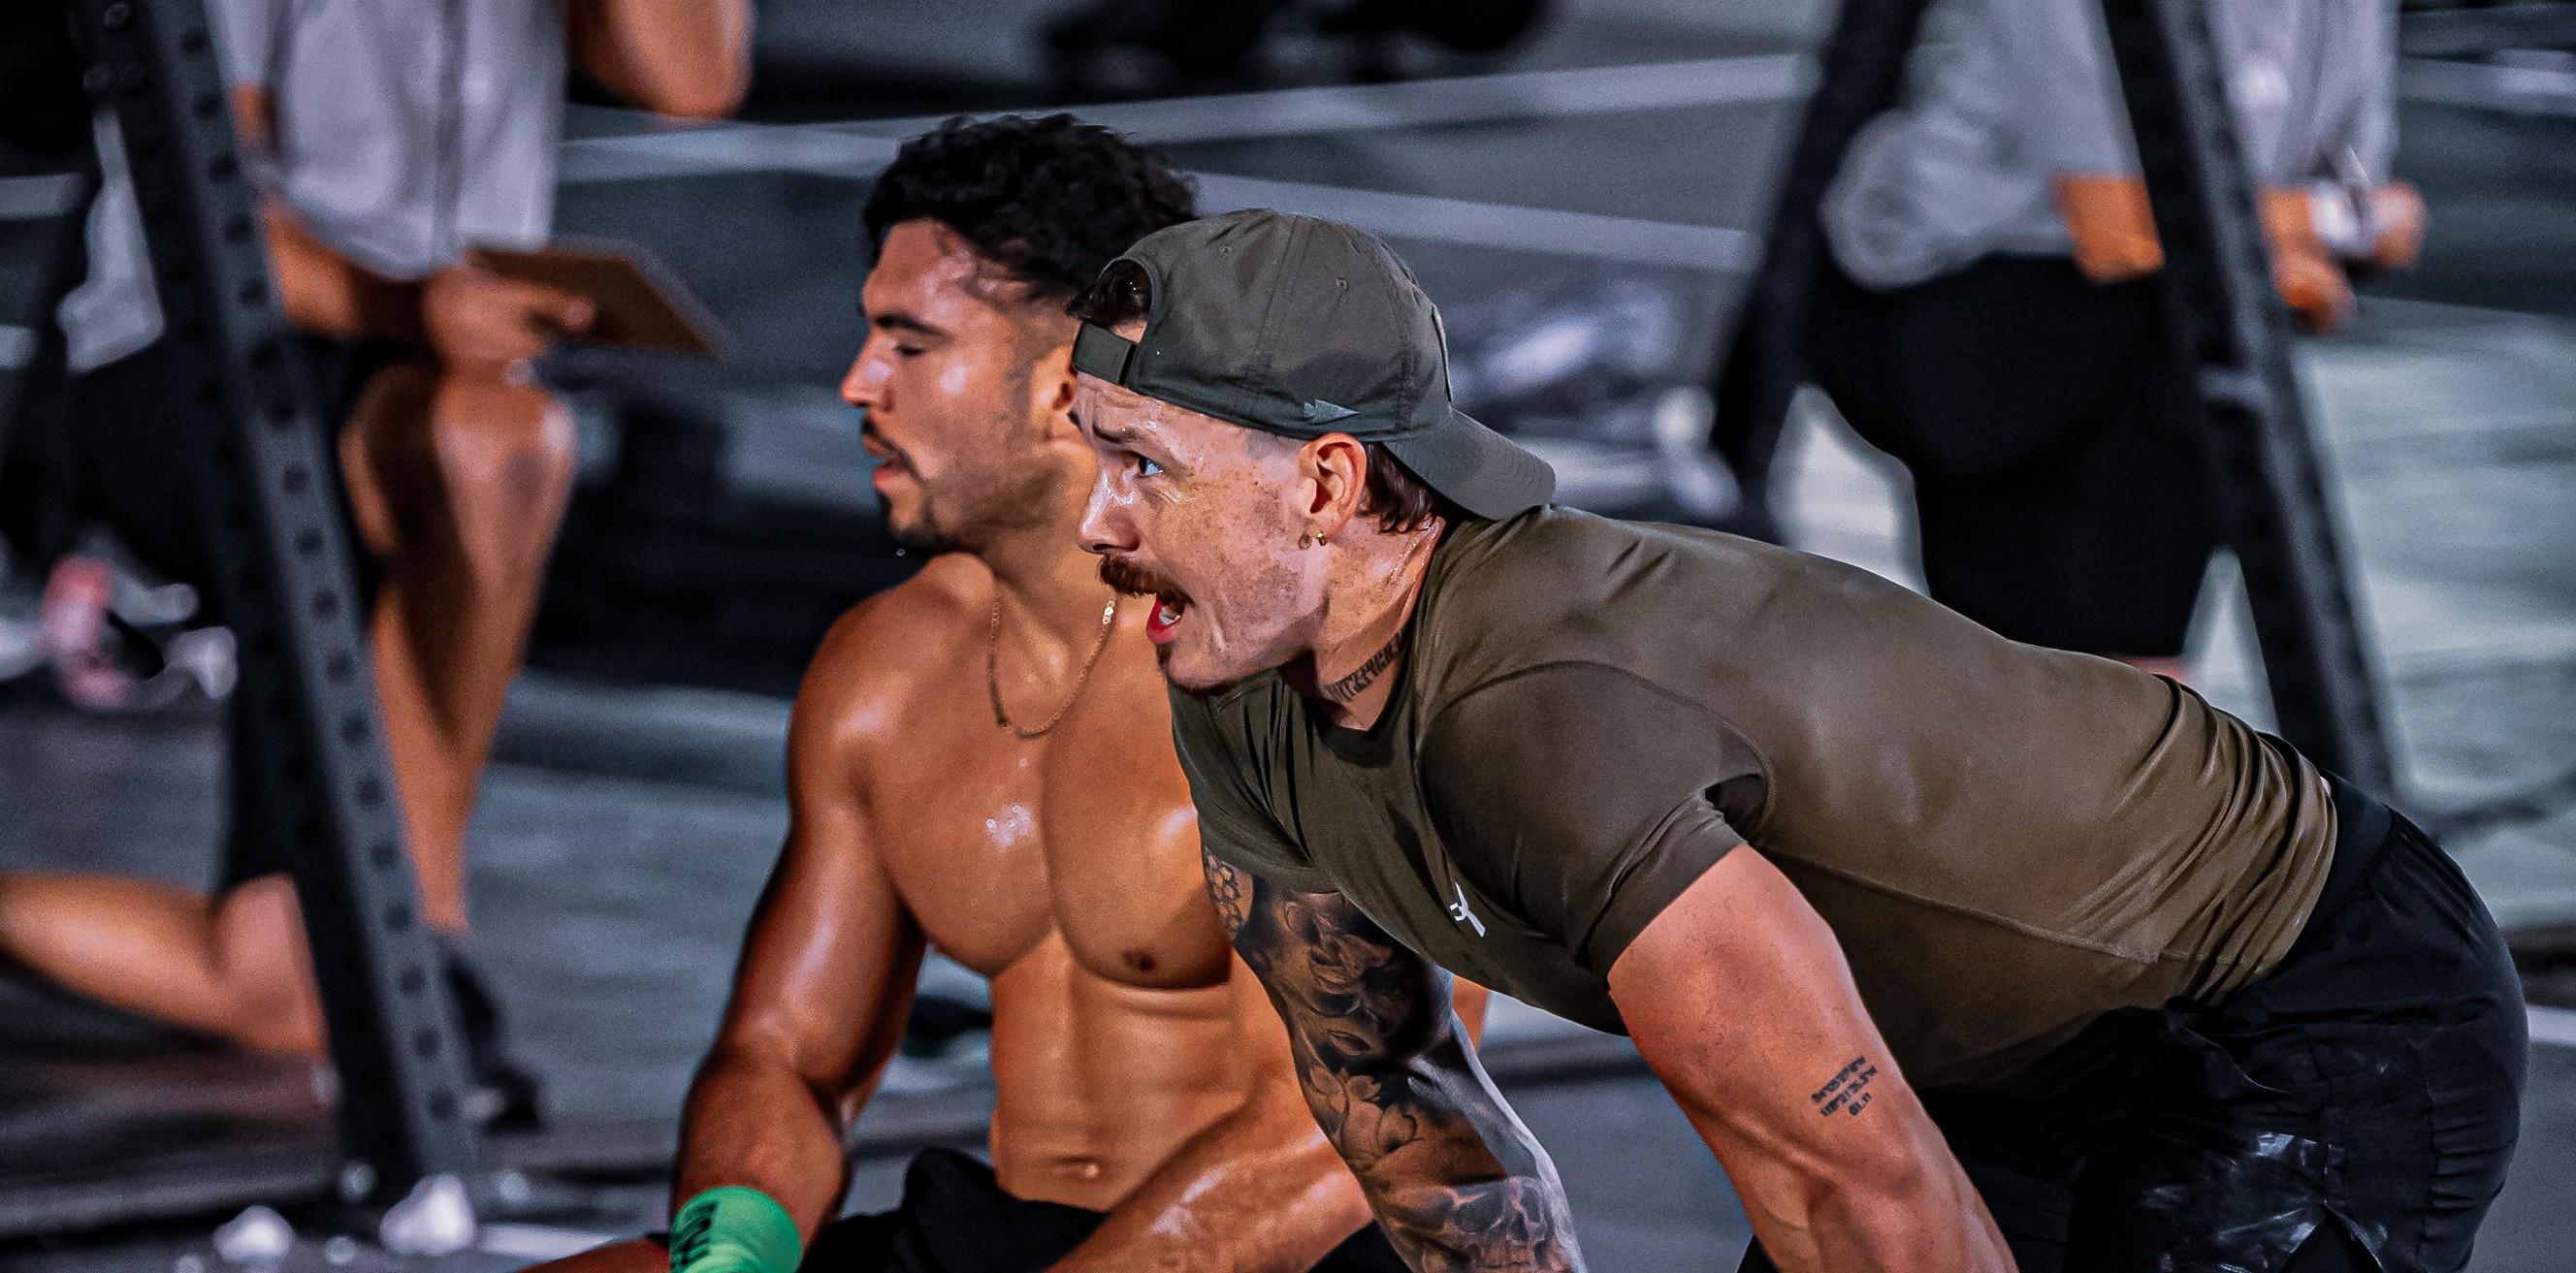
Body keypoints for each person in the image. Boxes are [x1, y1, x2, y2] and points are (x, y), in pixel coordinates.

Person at [1063, 208, 2524, 1273]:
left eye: (1143, 466)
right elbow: (1394, 1096)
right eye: (1090, 451)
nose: (1095, 522)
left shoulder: (1533, 714)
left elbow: (1857, 1171)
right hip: (2002, 1058)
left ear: (1327, 483)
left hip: (2293, 998)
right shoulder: (1242, 685)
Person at [531, 117, 1458, 1273]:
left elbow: (1344, 1133)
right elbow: (786, 1054)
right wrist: (732, 1264)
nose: (854, 382)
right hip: (1012, 1239)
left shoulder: (1305, 671)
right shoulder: (890, 668)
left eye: (908, 344)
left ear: (1068, 383)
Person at [0, 0, 749, 1074]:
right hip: (193, 352)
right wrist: (405, 304)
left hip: (422, 375)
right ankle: (420, 933)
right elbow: (197, 210)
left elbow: (693, 79)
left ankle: (381, 953)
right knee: (496, 443)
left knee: (283, 986)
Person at [1802, 0, 2419, 679]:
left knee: (2200, 337)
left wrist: (2292, 239)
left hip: (2140, 311)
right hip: (1953, 301)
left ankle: (2121, 717)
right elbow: (2111, 217)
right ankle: (2123, 711)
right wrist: (2302, 236)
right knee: (2186, 338)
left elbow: (2391, 221)